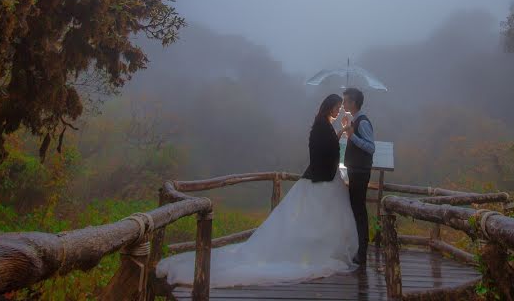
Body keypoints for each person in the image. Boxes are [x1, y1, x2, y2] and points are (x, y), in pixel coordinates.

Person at [156, 94, 358, 288]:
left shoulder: (323, 125)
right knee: (314, 218)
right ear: (329, 106)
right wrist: (342, 132)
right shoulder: (322, 127)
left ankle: (318, 248)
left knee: (318, 219)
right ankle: (313, 252)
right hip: (321, 178)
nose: (339, 110)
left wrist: (339, 132)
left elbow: (328, 148)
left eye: (341, 107)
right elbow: (325, 150)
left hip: (324, 177)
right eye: (337, 106)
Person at [341, 87, 375, 267]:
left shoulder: (362, 122)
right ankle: (358, 249)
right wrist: (348, 129)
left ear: (353, 102)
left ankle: (362, 252)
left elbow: (371, 147)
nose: (343, 103)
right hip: (355, 170)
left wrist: (352, 136)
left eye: (345, 100)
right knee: (355, 209)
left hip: (361, 172)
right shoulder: (355, 120)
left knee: (359, 210)